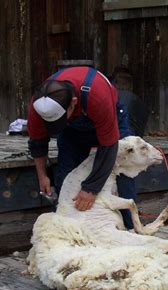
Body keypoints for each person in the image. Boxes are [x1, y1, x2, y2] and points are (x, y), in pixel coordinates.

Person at [27, 66, 136, 229]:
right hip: (72, 128)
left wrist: (91, 189)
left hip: (109, 117)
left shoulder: (98, 97)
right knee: (66, 177)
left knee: (123, 170)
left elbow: (109, 147)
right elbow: (37, 141)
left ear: (73, 103)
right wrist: (42, 175)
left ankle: (130, 228)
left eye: (59, 120)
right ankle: (71, 231)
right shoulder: (39, 105)